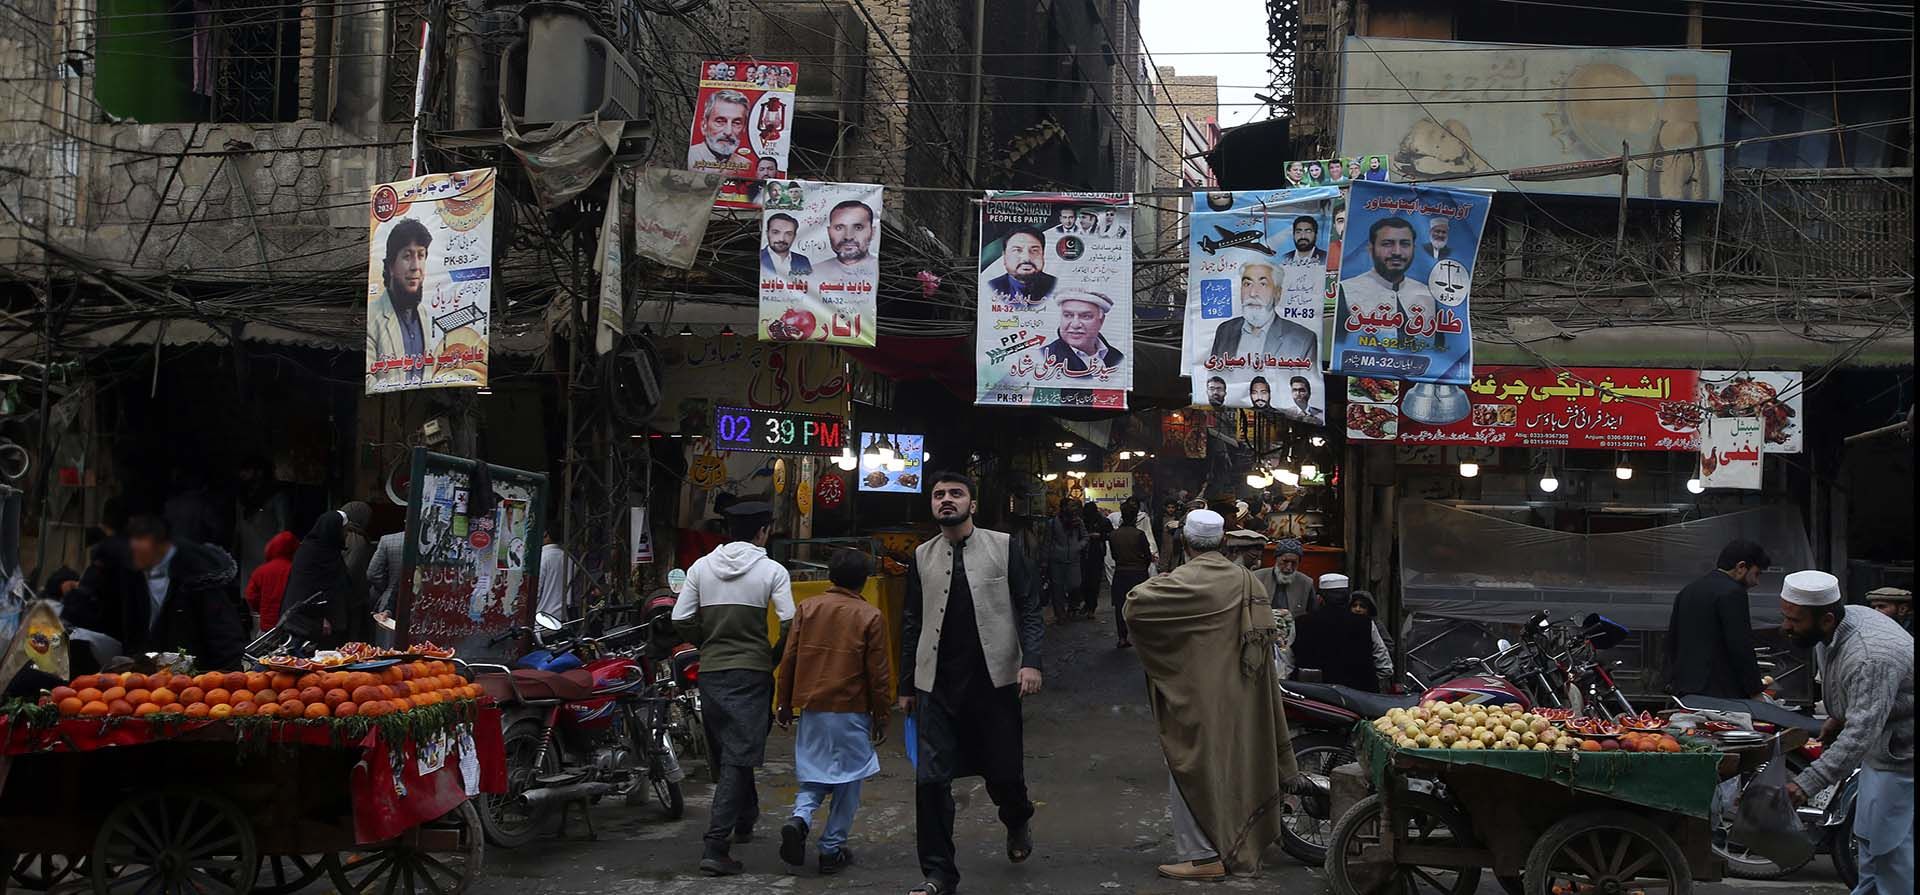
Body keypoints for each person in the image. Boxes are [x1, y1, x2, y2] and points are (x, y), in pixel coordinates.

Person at [1124, 509, 1295, 880]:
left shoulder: (1179, 583)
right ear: (1223, 541)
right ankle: (1240, 841)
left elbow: (1134, 607)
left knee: (1190, 768)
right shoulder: (1248, 581)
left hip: (1198, 697)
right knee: (1239, 767)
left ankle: (1203, 857)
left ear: (1185, 542)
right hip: (1243, 695)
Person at [900, 472, 1043, 895]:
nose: (946, 500)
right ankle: (938, 875)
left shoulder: (1004, 546)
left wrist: (1031, 663)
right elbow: (911, 621)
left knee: (1004, 775)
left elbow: (1029, 606)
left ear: (972, 504)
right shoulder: (921, 556)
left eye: (956, 494)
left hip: (993, 683)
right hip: (936, 685)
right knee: (930, 782)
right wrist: (906, 685)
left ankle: (1017, 818)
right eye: (939, 495)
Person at [672, 501, 796, 876]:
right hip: (752, 673)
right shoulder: (772, 570)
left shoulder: (701, 567)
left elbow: (680, 618)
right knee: (738, 756)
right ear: (764, 531)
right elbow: (791, 623)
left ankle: (746, 817)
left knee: (733, 750)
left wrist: (707, 643)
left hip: (712, 673)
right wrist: (772, 657)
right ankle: (715, 845)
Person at [1777, 570, 1913, 894]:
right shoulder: (1842, 623)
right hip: (1883, 751)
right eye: (1785, 616)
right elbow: (1856, 692)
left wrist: (1805, 784)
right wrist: (1838, 716)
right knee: (1869, 842)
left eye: (1794, 620)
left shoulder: (1870, 656)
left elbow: (1860, 734)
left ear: (1826, 619)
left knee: (1890, 852)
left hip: (1903, 757)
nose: (1786, 627)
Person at [776, 549, 891, 876]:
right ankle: (831, 848)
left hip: (812, 709)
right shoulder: (870, 616)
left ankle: (800, 818)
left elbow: (789, 659)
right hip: (850, 709)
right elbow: (878, 674)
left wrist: (783, 703)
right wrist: (881, 715)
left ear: (831, 575)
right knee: (849, 779)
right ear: (864, 581)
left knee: (815, 773)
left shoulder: (808, 608)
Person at [62, 515, 247, 669]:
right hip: (145, 680)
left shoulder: (197, 577)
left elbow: (224, 636)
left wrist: (227, 680)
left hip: (193, 681)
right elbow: (102, 616)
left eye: (139, 540)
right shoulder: (131, 574)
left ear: (158, 542)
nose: (132, 547)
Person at [1665, 539, 1769, 700]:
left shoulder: (1688, 590)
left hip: (1685, 689)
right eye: (1757, 573)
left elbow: (1672, 640)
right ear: (1741, 567)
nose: (1757, 582)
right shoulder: (1733, 592)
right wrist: (1755, 690)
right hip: (1720, 692)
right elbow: (1740, 645)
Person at [1336, 217, 1439, 347]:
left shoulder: (1429, 295)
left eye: (1405, 244)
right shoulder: (1346, 291)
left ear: (1414, 248)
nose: (1397, 252)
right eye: (1387, 244)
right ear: (1371, 249)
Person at [367, 218, 437, 389]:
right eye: (407, 256)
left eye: (421, 255)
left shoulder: (425, 315)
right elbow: (368, 379)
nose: (415, 267)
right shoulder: (373, 318)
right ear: (391, 266)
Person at [1208, 262, 1319, 368]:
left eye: (1263, 284)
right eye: (1247, 284)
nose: (1253, 293)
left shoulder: (1303, 339)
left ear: (1277, 294)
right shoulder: (1224, 331)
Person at [282, 509, 357, 648]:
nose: (346, 534)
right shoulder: (312, 553)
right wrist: (319, 618)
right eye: (344, 530)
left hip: (328, 622)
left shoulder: (329, 550)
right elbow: (304, 589)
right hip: (313, 623)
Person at [1291, 586, 1379, 692]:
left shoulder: (1301, 622)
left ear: (1320, 599)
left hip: (1311, 694)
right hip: (1357, 696)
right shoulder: (1366, 623)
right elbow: (1384, 664)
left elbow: (1287, 663)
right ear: (1348, 599)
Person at [234, 456, 292, 588]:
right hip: (248, 556)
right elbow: (239, 526)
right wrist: (234, 551)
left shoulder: (277, 497)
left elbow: (284, 528)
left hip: (268, 555)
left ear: (259, 472)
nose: (243, 475)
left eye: (247, 470)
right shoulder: (243, 497)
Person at [1040, 291, 1123, 374]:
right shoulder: (1043, 357)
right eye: (1068, 315)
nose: (1075, 325)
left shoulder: (1117, 357)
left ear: (1101, 321)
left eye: (1086, 316)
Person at [1107, 503, 1155, 649]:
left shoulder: (1113, 535)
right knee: (1140, 606)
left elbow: (1114, 555)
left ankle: (1122, 637)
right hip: (1138, 573)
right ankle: (1141, 637)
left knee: (1120, 606)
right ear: (1135, 518)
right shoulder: (1139, 534)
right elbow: (1147, 556)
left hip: (1120, 573)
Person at [243, 530, 298, 631]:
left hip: (267, 627)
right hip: (292, 625)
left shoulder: (261, 571)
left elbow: (251, 596)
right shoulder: (297, 570)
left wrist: (263, 609)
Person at [688, 89, 752, 175]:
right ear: (704, 125)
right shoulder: (689, 159)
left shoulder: (747, 167)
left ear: (744, 128)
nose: (728, 132)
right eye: (720, 121)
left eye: (736, 123)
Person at [988, 226, 1056, 305]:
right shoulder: (990, 288)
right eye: (1017, 250)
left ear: (1043, 254)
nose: (1026, 258)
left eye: (1034, 250)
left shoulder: (1057, 286)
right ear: (1004, 256)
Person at [1043, 500, 1086, 624]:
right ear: (1063, 507)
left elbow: (1085, 537)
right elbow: (1047, 541)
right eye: (1070, 506)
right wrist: (1045, 560)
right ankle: (1060, 614)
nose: (1073, 508)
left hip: (1073, 560)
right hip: (1056, 560)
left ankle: (1072, 607)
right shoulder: (1052, 523)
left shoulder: (1078, 522)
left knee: (1075, 585)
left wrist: (1078, 547)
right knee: (1057, 589)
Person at [814, 200, 876, 279]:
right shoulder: (812, 272)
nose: (848, 237)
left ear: (872, 232)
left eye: (858, 228)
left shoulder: (879, 271)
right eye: (839, 228)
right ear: (829, 232)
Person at [1255, 538, 1317, 617]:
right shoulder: (1257, 577)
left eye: (1294, 563)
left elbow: (1313, 613)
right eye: (1285, 561)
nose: (1289, 567)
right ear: (1276, 559)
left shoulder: (1306, 583)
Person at [1349, 591, 1395, 691]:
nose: (1357, 609)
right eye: (1354, 605)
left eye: (1362, 606)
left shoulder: (1375, 624)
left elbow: (1387, 646)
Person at [1077, 503, 1113, 620]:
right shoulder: (1081, 521)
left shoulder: (1103, 521)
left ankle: (1091, 607)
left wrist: (1100, 535)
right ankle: (1087, 604)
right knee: (1083, 582)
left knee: (1094, 582)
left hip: (1096, 554)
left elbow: (1110, 534)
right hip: (1082, 554)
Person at [536, 528, 574, 622]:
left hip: (542, 617)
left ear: (546, 535)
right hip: (562, 616)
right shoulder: (569, 559)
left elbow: (536, 590)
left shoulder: (542, 557)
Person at [760, 213, 812, 277]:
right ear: (767, 233)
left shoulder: (803, 260)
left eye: (788, 234)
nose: (781, 239)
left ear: (794, 236)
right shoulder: (758, 257)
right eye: (775, 232)